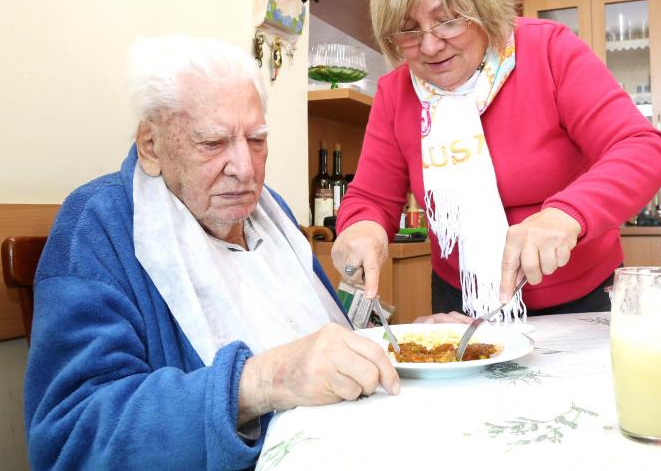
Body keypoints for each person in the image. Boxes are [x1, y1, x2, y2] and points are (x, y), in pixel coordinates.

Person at [23, 35, 401, 470]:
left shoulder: (272, 211)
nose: (245, 169)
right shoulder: (99, 224)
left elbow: (334, 339)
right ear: (151, 145)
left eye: (256, 140)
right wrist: (260, 381)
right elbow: (70, 439)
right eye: (212, 143)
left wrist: (406, 342)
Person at [332, 0, 661, 321]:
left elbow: (639, 148)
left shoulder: (549, 51)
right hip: (462, 305)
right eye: (408, 30)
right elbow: (370, 199)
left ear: (482, 4)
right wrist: (361, 229)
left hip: (581, 302)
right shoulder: (396, 93)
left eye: (447, 19)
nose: (429, 44)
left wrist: (567, 214)